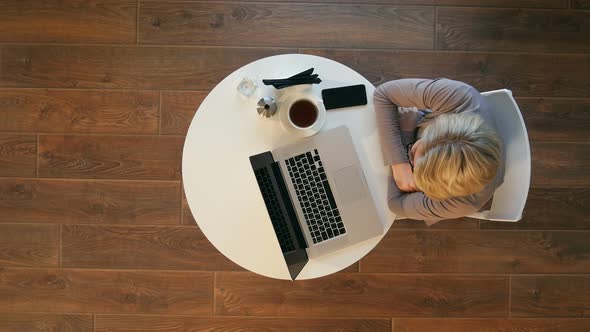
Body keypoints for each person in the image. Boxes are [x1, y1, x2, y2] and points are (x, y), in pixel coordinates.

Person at [374, 78, 504, 225]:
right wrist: (400, 165)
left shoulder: (462, 204)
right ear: (442, 124)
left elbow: (396, 205)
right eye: (425, 139)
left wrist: (406, 132)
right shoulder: (460, 96)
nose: (411, 151)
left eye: (414, 164)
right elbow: (383, 94)